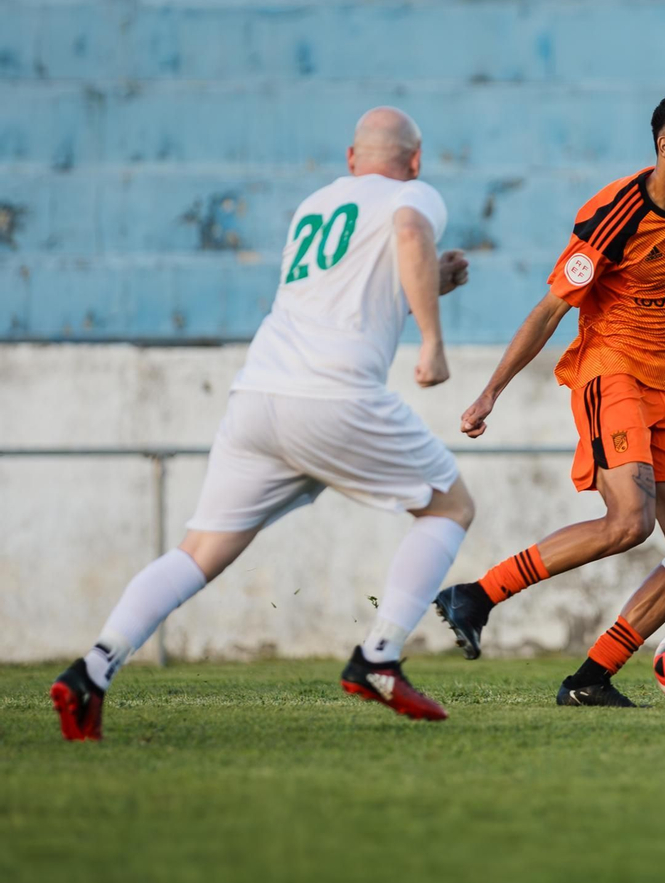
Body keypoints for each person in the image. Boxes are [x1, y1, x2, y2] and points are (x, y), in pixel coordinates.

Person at [50, 107, 475, 740]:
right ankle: (378, 657)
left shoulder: (315, 205)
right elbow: (410, 236)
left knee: (199, 552)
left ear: (351, 158)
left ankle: (92, 669)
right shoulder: (414, 195)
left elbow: (353, 284)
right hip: (333, 396)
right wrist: (431, 342)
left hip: (258, 396)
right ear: (413, 160)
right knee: (449, 508)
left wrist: (426, 283)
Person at [431, 91, 665, 707]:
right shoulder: (612, 214)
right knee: (629, 521)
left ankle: (590, 679)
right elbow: (551, 308)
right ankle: (475, 595)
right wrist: (490, 392)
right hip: (611, 374)